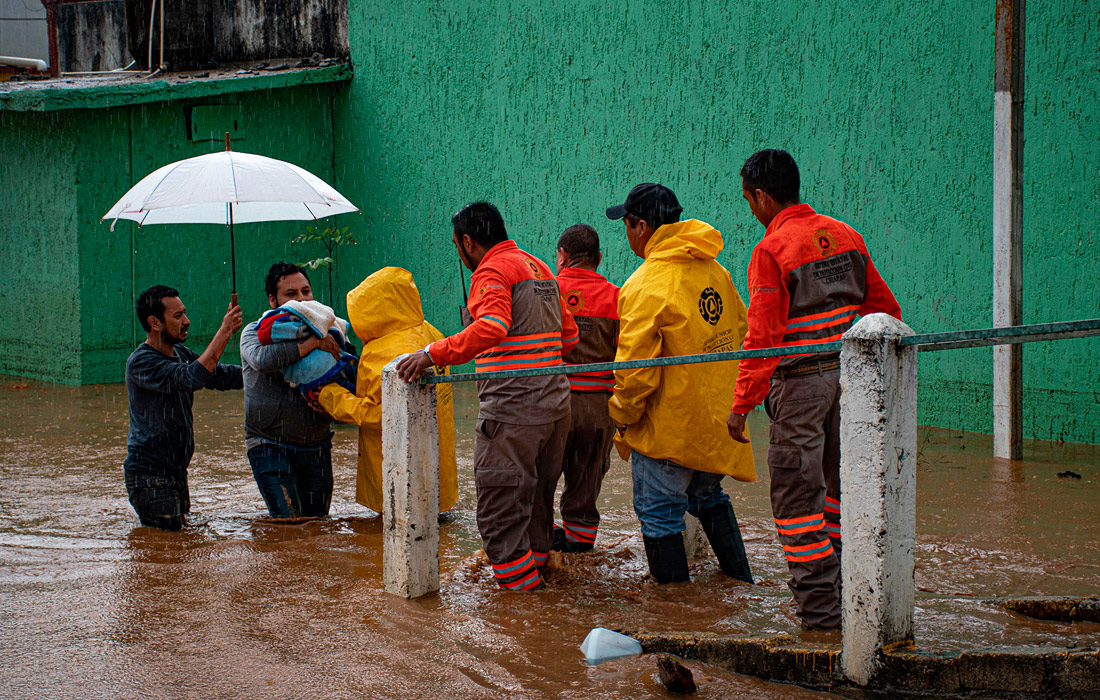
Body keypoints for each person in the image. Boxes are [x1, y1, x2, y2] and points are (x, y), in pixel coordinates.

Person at [727, 149, 902, 630]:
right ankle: (847, 608)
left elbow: (762, 337)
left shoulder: (771, 250)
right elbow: (884, 311)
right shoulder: (845, 234)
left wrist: (741, 404)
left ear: (762, 197)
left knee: (795, 504)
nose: (751, 209)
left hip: (801, 387)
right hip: (851, 384)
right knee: (834, 496)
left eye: (748, 200)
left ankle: (821, 621)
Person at [397, 202, 579, 591]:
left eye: (456, 246)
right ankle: (543, 584)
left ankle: (522, 607)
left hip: (513, 412)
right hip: (556, 408)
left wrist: (432, 354)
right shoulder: (538, 266)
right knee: (537, 504)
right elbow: (570, 337)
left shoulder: (492, 270)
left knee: (500, 512)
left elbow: (493, 326)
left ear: (468, 242)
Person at [606, 183, 756, 585]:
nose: (627, 234)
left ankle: (675, 609)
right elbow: (741, 331)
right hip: (718, 424)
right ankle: (742, 584)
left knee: (659, 514)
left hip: (670, 430)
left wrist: (621, 416)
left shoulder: (645, 283)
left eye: (626, 225)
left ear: (640, 227)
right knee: (707, 496)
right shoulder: (714, 269)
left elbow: (635, 372)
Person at [318, 267, 459, 515]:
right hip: (438, 470)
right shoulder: (429, 333)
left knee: (399, 527)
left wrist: (329, 396)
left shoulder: (386, 353)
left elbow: (384, 415)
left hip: (400, 472)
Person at [124, 285, 243, 530]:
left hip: (176, 471)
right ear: (154, 323)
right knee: (170, 544)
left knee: (180, 542)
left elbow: (219, 376)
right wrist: (224, 331)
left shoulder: (180, 352)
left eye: (184, 313)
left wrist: (266, 375)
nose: (186, 321)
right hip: (150, 476)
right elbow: (191, 378)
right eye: (178, 316)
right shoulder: (141, 363)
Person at [240, 262, 343, 519]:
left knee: (318, 527)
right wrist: (313, 343)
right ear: (272, 300)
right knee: (289, 528)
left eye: (306, 291)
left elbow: (348, 378)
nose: (301, 299)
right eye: (291, 294)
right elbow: (263, 360)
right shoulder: (254, 332)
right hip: (268, 445)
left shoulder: (332, 330)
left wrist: (334, 408)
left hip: (317, 446)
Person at [551, 224, 620, 553]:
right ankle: (580, 554)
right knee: (586, 484)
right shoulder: (618, 297)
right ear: (599, 258)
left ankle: (541, 549)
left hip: (552, 403)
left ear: (562, 256)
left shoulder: (548, 291)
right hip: (599, 408)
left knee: (539, 482)